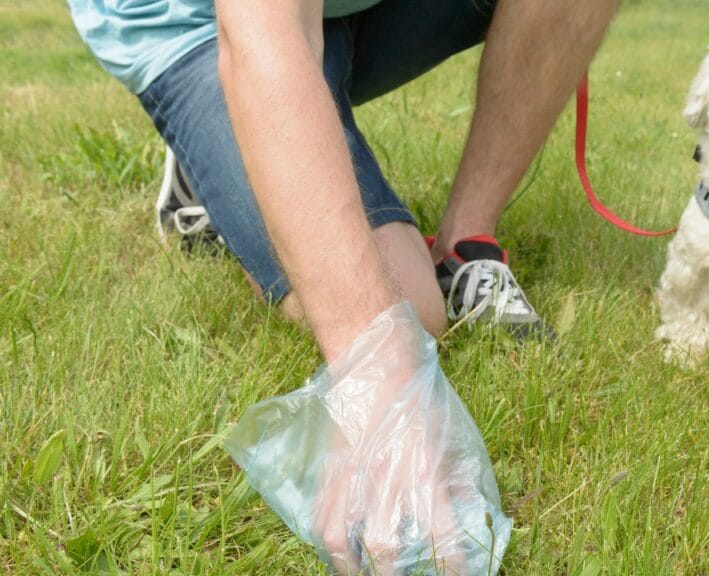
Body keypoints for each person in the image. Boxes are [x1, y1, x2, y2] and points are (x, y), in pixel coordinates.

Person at [68, 0, 618, 569]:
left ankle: (466, 242)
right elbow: (264, 24)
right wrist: (380, 382)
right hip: (207, 22)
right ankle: (212, 146)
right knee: (407, 305)